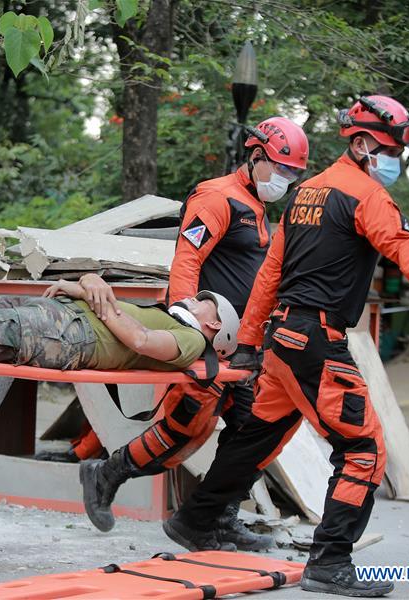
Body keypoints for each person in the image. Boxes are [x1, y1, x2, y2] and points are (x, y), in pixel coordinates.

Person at [165, 95, 409, 597]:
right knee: (363, 449)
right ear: (362, 143)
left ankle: (195, 519)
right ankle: (330, 561)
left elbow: (269, 277)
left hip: (283, 341)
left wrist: (254, 342)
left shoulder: (305, 194)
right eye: (391, 148)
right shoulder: (366, 197)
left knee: (259, 437)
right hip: (317, 344)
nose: (396, 160)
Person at [78, 117, 309, 541]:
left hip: (240, 344)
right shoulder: (218, 197)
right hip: (208, 338)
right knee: (184, 430)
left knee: (248, 431)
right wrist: (190, 329)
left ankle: (219, 520)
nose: (286, 180)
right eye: (281, 169)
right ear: (256, 156)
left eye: (294, 173)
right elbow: (187, 261)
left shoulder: (255, 206)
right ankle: (106, 474)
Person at [0, 284, 238, 373]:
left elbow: (140, 339)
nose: (192, 297)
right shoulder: (168, 319)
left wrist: (91, 294)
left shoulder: (193, 341)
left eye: (203, 301)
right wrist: (84, 284)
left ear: (214, 324)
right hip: (61, 312)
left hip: (70, 334)